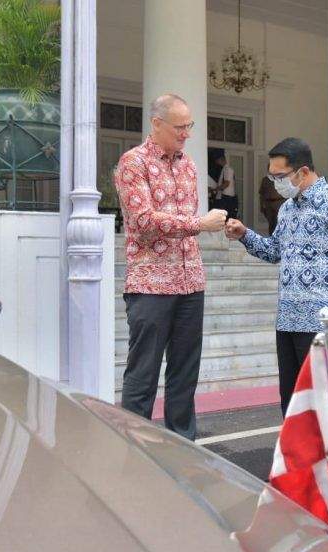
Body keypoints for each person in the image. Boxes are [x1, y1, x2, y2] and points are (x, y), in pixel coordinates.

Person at [224, 137, 328, 415]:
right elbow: (275, 250)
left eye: (280, 176)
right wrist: (245, 235)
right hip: (287, 318)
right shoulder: (288, 208)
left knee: (320, 401)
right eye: (272, 176)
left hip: (320, 321)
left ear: (302, 172)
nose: (276, 183)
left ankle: (326, 456)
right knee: (292, 403)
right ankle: (295, 457)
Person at [113, 93, 228, 440]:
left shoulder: (189, 166)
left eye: (188, 126)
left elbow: (185, 217)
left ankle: (183, 444)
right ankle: (133, 446)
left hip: (190, 281)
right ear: (157, 124)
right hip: (150, 284)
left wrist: (207, 224)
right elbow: (144, 222)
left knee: (184, 371)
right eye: (179, 127)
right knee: (143, 373)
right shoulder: (133, 163)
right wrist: (199, 225)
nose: (186, 133)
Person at [258, 164, 285, 235]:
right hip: (268, 204)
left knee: (278, 222)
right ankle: (271, 239)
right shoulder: (265, 179)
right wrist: (261, 205)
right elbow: (261, 194)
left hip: (279, 202)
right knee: (271, 223)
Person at [212, 152, 238, 220]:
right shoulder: (225, 169)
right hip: (226, 197)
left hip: (227, 198)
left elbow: (226, 183)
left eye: (217, 160)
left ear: (221, 159)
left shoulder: (227, 169)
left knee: (226, 218)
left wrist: (216, 189)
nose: (216, 162)